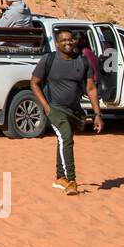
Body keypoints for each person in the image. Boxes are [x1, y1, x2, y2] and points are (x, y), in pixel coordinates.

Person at [31, 30, 104, 196]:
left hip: (74, 110)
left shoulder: (82, 62)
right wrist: (47, 107)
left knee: (64, 139)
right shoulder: (48, 60)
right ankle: (71, 180)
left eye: (70, 40)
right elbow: (34, 83)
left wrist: (97, 114)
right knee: (66, 137)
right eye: (63, 40)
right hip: (55, 108)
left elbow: (91, 88)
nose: (68, 43)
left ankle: (60, 177)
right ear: (57, 43)